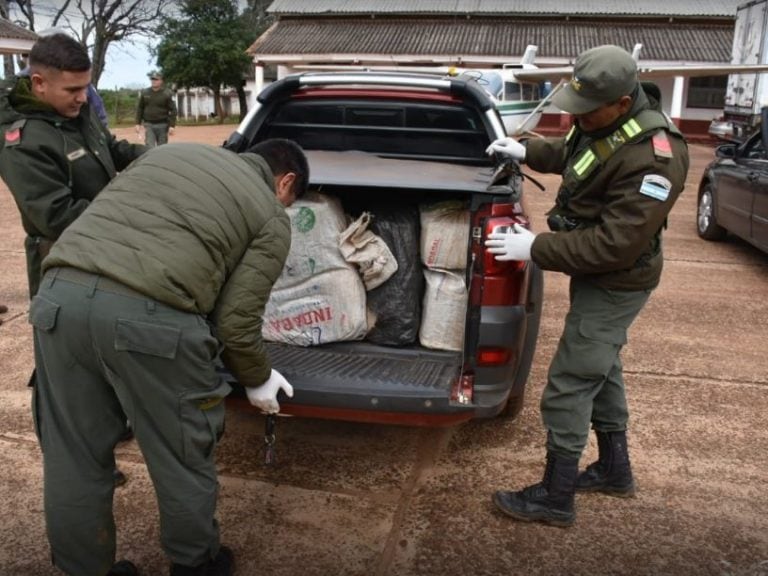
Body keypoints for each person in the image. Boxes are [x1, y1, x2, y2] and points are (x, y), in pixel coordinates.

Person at [30, 138, 309, 576]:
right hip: (150, 321)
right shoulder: (271, 215)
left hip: (57, 300)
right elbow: (236, 322)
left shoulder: (165, 154)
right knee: (180, 453)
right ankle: (195, 564)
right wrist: (257, 377)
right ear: (285, 181)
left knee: (72, 453)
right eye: (291, 201)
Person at [485, 45, 689, 527]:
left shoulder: (656, 158)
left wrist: (536, 247)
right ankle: (615, 470)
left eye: (588, 112)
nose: (579, 118)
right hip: (596, 274)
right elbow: (575, 156)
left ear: (622, 102)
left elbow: (613, 246)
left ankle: (556, 497)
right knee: (601, 366)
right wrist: (528, 150)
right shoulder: (603, 120)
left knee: (571, 382)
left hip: (618, 280)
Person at [0, 33, 147, 491]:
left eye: (87, 88)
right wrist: (134, 212)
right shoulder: (22, 138)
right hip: (59, 262)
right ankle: (70, 464)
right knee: (62, 372)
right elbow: (56, 215)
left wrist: (165, 164)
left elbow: (112, 151)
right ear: (39, 82)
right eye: (73, 90)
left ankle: (101, 440)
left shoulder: (76, 111)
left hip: (102, 251)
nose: (84, 98)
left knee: (100, 356)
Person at [135, 70, 177, 147]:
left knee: (162, 148)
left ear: (161, 81)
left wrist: (172, 126)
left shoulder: (167, 93)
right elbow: (140, 108)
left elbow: (173, 110)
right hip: (148, 124)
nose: (154, 81)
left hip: (163, 125)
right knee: (149, 146)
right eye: (152, 79)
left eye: (156, 79)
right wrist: (137, 123)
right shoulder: (145, 93)